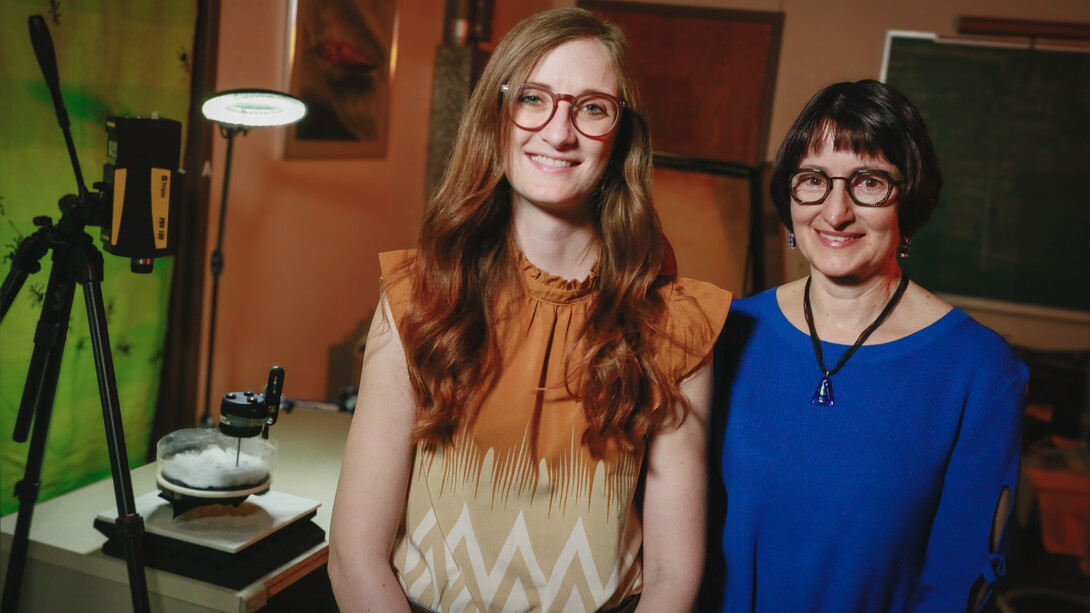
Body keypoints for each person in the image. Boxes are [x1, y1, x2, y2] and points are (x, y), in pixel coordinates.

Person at [328, 7, 731, 612]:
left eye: (592, 108)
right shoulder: (417, 295)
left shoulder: (676, 326)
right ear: (499, 114)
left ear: (621, 132)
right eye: (534, 98)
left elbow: (673, 576)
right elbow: (355, 555)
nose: (559, 132)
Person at [703, 80, 1028, 613]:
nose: (835, 213)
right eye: (812, 180)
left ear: (911, 196)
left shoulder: (979, 370)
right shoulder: (723, 331)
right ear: (789, 196)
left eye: (869, 182)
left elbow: (958, 580)